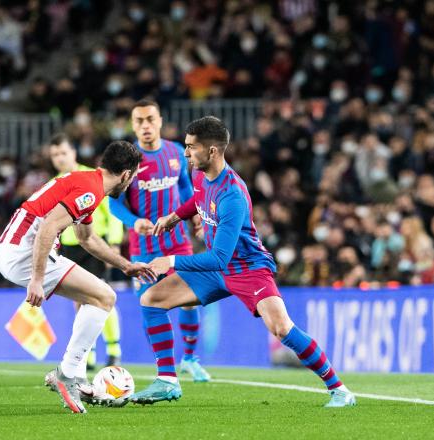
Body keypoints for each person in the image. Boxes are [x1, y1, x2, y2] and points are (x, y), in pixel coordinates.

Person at [129, 116, 356, 408]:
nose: (186, 153)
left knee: (282, 328)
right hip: (217, 271)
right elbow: (195, 200)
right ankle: (167, 381)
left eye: (191, 147)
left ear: (212, 151)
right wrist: (175, 217)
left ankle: (339, 389)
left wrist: (171, 261)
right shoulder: (201, 175)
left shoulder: (232, 194)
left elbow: (220, 257)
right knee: (151, 299)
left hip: (247, 268)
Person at [0, 140, 155, 414]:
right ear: (126, 174)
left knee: (98, 298)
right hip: (23, 250)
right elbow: (48, 225)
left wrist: (125, 265)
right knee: (105, 297)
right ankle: (68, 374)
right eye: (134, 177)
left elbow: (87, 239)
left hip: (17, 246)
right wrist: (36, 278)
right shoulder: (91, 192)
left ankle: (74, 374)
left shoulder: (89, 182)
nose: (131, 184)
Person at [109, 99, 211, 382]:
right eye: (139, 121)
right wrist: (134, 221)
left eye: (150, 119)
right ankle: (164, 370)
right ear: (132, 125)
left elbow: (185, 187)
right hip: (144, 249)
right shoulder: (127, 161)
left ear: (160, 121)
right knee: (152, 306)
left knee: (190, 300)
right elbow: (113, 204)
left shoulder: (176, 152)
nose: (145, 126)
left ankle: (189, 359)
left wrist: (196, 215)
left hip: (179, 243)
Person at [49, 133, 124, 369]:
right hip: (70, 247)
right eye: (55, 155)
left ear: (73, 153)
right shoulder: (56, 183)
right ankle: (87, 354)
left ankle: (113, 349)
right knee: (79, 302)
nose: (59, 158)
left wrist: (114, 242)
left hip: (93, 244)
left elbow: (111, 211)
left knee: (101, 295)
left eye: (63, 152)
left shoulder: (90, 177)